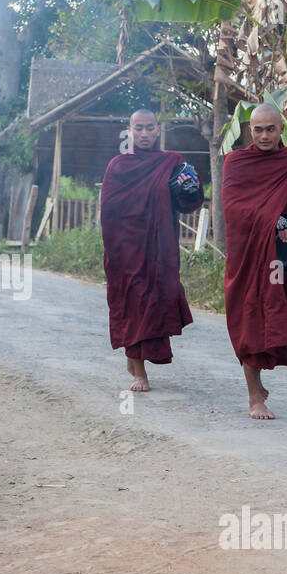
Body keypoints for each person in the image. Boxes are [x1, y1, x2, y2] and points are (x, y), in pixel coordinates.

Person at [221, 104, 287, 420]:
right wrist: (273, 220)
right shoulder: (236, 162)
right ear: (249, 130)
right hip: (248, 253)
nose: (263, 135)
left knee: (275, 313)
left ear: (281, 130)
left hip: (281, 255)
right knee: (250, 316)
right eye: (257, 129)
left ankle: (259, 387)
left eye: (270, 129)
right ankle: (254, 396)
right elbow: (233, 208)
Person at [101, 109, 204, 391]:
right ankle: (138, 370)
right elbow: (108, 210)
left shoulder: (172, 162)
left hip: (160, 248)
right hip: (126, 250)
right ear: (129, 131)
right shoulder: (118, 166)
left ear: (158, 130)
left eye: (149, 128)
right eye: (139, 128)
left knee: (154, 303)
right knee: (133, 304)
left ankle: (137, 360)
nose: (144, 134)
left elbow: (188, 202)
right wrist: (113, 250)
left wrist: (190, 189)